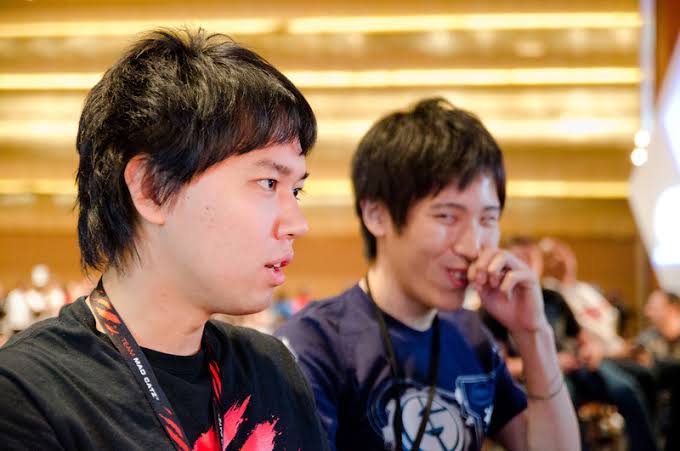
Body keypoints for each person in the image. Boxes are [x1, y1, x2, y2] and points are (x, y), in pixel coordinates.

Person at [0, 28, 328, 451]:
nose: (297, 224)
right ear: (153, 189)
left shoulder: (272, 369)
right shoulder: (30, 393)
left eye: (296, 190)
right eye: (268, 183)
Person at [276, 98, 579, 451]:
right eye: (447, 217)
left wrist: (533, 332)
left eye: (488, 219)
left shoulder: (471, 336)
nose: (473, 246)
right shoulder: (316, 343)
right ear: (377, 215)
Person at [483, 237, 658, 451]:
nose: (526, 265)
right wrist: (552, 361)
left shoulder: (553, 297)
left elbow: (582, 338)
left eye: (532, 259)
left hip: (576, 366)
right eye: (520, 258)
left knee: (627, 389)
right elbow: (502, 366)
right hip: (538, 377)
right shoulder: (494, 306)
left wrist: (590, 350)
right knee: (565, 404)